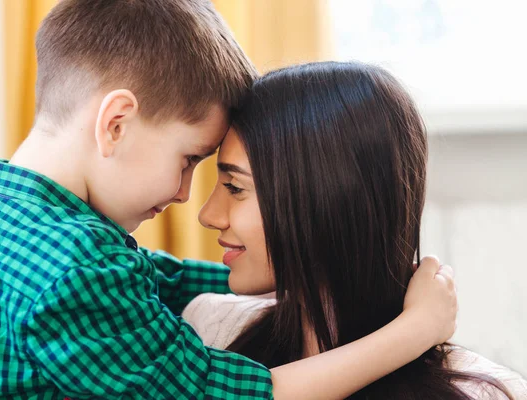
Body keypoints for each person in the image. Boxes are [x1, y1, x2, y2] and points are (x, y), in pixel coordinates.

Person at [0, 1, 459, 399]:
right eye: (190, 159)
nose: (186, 195)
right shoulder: (69, 268)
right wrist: (414, 331)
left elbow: (157, 278)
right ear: (116, 124)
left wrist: (305, 266)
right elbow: (230, 392)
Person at [186, 61, 527, 399]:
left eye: (235, 187)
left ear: (327, 198)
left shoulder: (478, 393)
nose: (207, 215)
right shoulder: (208, 331)